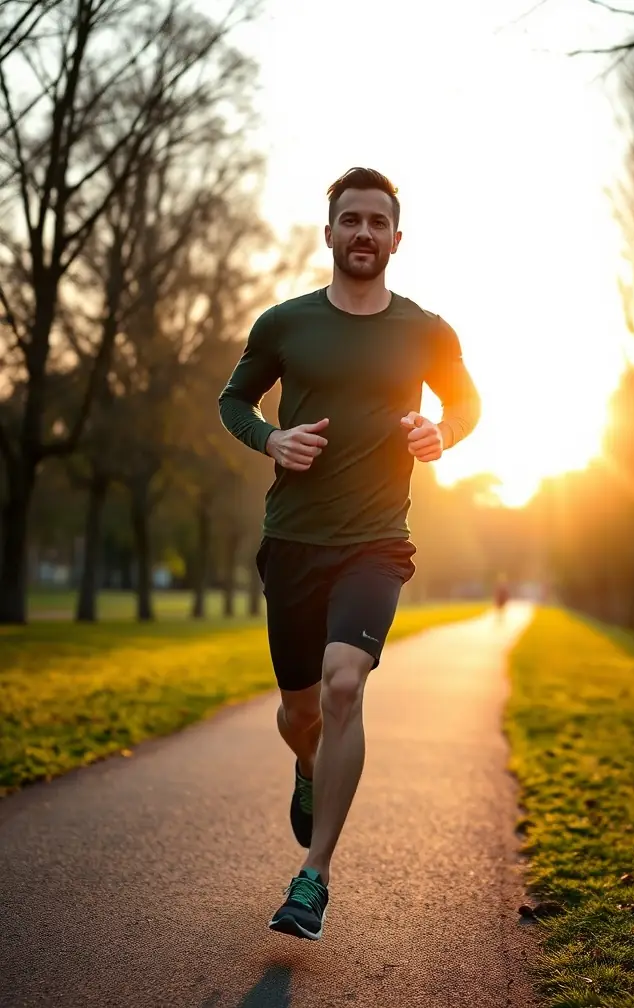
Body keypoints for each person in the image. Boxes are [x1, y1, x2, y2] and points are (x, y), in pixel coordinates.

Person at [218, 167, 481, 941]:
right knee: (301, 715)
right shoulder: (283, 324)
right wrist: (271, 437)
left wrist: (446, 432)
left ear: (398, 239)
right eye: (351, 220)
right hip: (293, 541)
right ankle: (308, 768)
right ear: (328, 232)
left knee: (343, 688)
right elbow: (233, 400)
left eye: (378, 222)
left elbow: (466, 401)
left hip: (376, 542)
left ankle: (314, 878)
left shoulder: (427, 329)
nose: (364, 233)